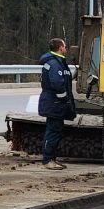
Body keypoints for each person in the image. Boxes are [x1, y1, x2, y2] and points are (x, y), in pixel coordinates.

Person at [38, 38, 76, 170]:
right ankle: (48, 160)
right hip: (54, 103)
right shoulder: (54, 64)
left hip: (55, 103)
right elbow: (57, 84)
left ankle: (51, 159)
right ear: (60, 48)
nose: (66, 48)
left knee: (56, 131)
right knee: (53, 131)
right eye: (65, 46)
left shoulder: (58, 62)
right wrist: (65, 99)